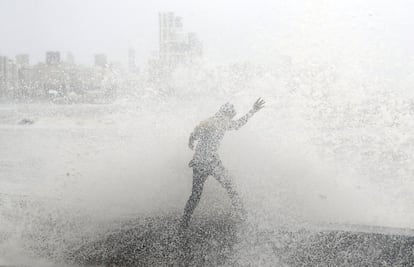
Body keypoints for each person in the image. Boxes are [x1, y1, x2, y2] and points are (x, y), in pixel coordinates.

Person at [180, 98, 265, 229]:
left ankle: (184, 222)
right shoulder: (221, 122)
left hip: (200, 162)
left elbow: (194, 134)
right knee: (230, 186)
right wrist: (253, 110)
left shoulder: (209, 121)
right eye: (231, 115)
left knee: (196, 195)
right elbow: (238, 123)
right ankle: (242, 216)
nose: (231, 118)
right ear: (228, 114)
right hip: (210, 162)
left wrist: (191, 141)